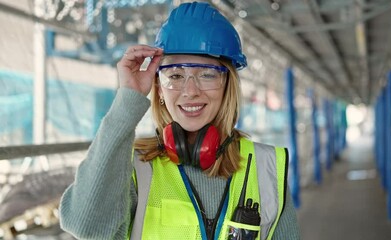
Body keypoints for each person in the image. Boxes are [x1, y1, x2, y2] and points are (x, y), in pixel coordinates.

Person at [59, 2, 300, 239]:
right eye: (175, 75)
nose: (190, 90)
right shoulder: (135, 168)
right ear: (160, 89)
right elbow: (85, 226)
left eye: (207, 74)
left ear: (228, 85)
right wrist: (127, 101)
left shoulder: (265, 169)